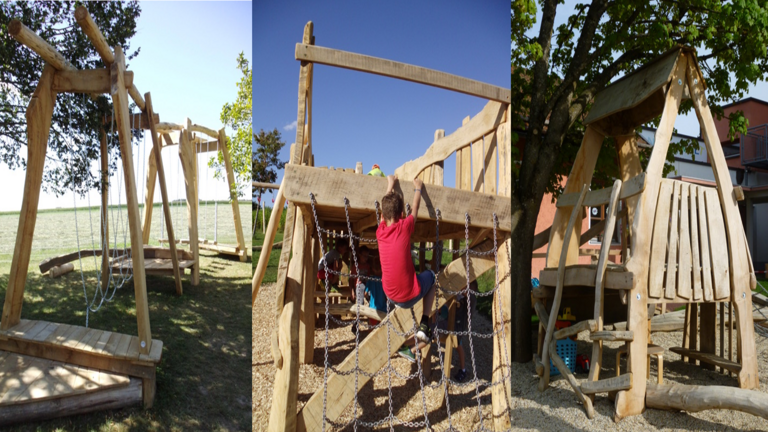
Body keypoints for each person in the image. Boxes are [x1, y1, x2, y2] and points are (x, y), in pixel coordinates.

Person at [376, 175, 435, 362]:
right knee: (432, 276)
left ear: (383, 216)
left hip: (390, 295)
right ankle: (425, 323)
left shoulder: (380, 232)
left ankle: (409, 340)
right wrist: (418, 188)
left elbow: (382, 213)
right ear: (401, 214)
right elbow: (415, 209)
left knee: (410, 275)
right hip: (408, 296)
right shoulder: (405, 227)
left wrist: (390, 185)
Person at [437, 280, 476, 382]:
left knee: (458, 345)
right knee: (458, 345)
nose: (463, 287)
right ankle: (463, 369)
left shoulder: (470, 299)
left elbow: (467, 296)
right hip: (453, 321)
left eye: (466, 286)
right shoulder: (461, 295)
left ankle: (463, 370)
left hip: (458, 326)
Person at [365, 250, 388, 325]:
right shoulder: (384, 280)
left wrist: (368, 299)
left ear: (373, 269)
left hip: (373, 307)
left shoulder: (371, 280)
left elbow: (365, 293)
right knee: (382, 328)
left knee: (372, 327)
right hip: (383, 308)